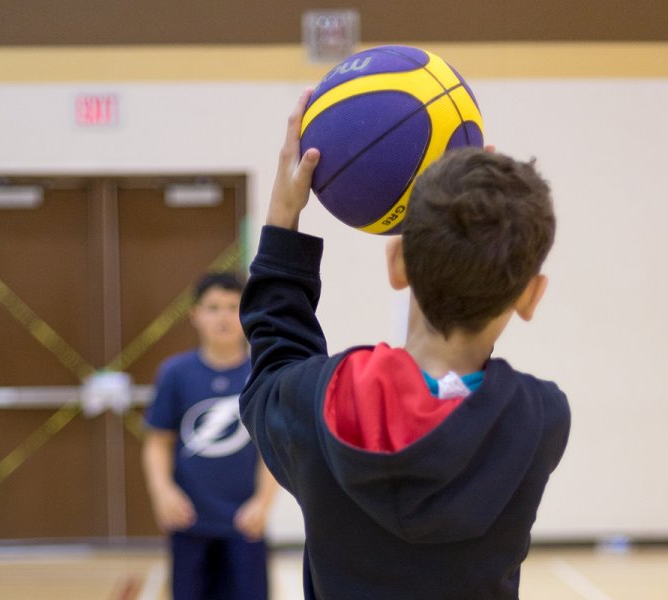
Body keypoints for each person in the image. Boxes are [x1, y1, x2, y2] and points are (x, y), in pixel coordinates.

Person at [238, 90, 571, 599]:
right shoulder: (541, 418)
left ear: (396, 264)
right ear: (531, 296)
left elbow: (274, 357)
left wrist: (284, 216)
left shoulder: (319, 403)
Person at [143, 272, 278, 600]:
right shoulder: (176, 373)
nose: (223, 317)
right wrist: (163, 493)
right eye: (214, 307)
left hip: (244, 523)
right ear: (196, 315)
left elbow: (272, 448)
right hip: (190, 520)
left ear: (246, 314)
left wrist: (262, 503)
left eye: (233, 307)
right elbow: (157, 441)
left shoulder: (260, 375)